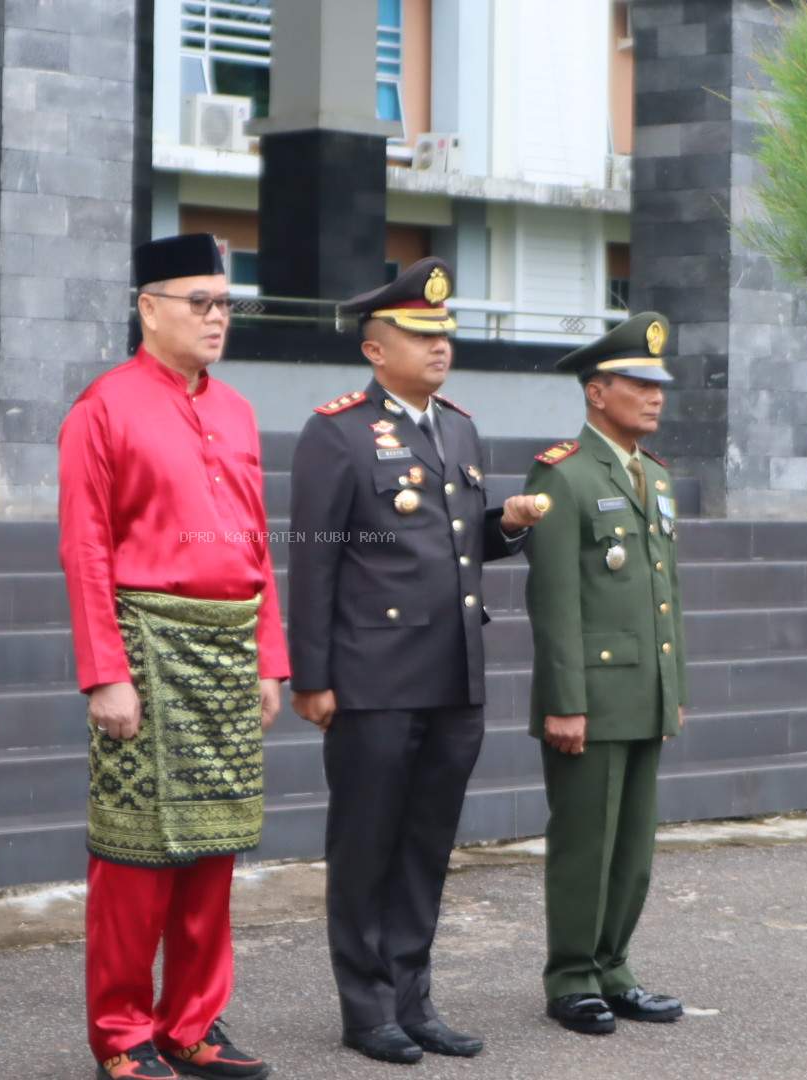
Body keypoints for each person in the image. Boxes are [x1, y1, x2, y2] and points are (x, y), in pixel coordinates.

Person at [287, 256, 546, 1064]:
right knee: (366, 845)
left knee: (428, 845)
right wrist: (313, 676)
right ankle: (366, 1009)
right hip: (373, 679)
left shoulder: (459, 427)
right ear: (375, 349)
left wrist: (512, 522)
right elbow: (317, 559)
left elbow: (460, 543)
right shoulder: (336, 432)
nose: (441, 347)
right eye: (420, 335)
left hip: (452, 674)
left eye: (446, 334)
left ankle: (413, 998)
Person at [58, 233, 285, 1080]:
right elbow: (84, 548)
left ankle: (193, 1022)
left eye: (225, 303)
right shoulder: (103, 406)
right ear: (148, 308)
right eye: (200, 302)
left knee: (214, 852)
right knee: (136, 855)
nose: (216, 317)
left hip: (230, 648)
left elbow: (259, 544)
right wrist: (103, 671)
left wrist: (271, 656)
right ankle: (122, 1034)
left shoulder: (236, 409)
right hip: (146, 646)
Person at [521, 311, 687, 1035]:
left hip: (643, 692)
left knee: (634, 846)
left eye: (659, 386)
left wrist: (671, 690)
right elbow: (553, 599)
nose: (654, 397)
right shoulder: (562, 472)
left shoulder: (653, 475)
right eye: (638, 384)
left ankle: (615, 967)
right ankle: (572, 978)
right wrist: (565, 701)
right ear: (597, 392)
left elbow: (663, 593)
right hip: (588, 693)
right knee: (587, 841)